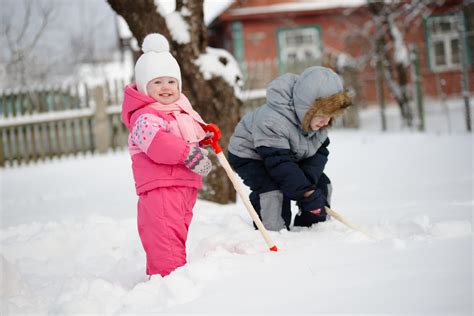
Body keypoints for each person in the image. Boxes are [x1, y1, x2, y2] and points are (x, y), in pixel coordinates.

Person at [121, 33, 212, 277]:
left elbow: (188, 134)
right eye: (157, 82)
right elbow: (159, 144)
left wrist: (204, 135)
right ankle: (169, 282)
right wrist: (189, 154)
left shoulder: (179, 111)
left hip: (183, 186)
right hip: (161, 187)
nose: (166, 88)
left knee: (176, 234)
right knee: (164, 236)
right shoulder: (143, 117)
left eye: (171, 82)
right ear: (144, 87)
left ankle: (166, 277)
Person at [228, 66, 352, 231]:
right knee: (272, 191)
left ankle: (313, 228)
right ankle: (273, 231)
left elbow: (319, 154)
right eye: (322, 116)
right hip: (250, 154)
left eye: (330, 117)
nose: (326, 122)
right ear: (306, 108)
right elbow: (279, 163)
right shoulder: (273, 121)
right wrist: (304, 192)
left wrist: (307, 187)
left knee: (320, 184)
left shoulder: (319, 126)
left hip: (287, 154)